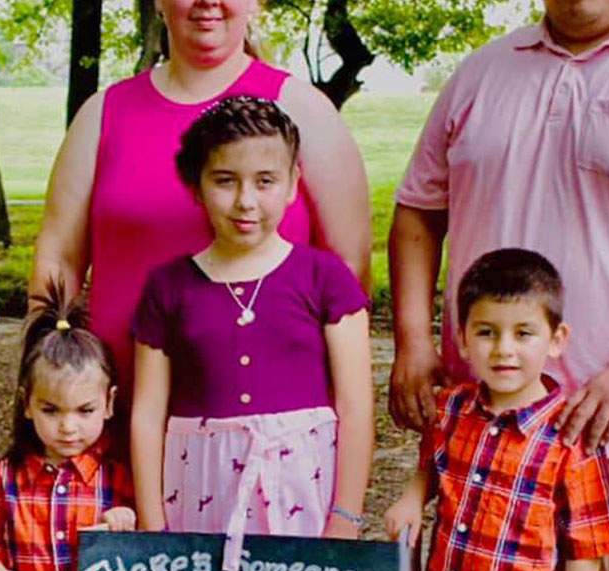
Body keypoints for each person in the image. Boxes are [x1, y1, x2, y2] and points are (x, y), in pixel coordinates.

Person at [31, 0, 370, 425]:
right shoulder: (104, 114)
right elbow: (59, 257)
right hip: (109, 414)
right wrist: (45, 364)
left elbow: (348, 268)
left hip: (267, 429)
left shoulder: (303, 111)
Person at [387, 0, 609, 571]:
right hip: (487, 418)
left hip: (601, 422)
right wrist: (412, 338)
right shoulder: (482, 72)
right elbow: (417, 209)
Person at [128, 97, 372, 571]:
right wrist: (153, 523)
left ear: (292, 185)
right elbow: (147, 412)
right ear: (196, 185)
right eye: (225, 181)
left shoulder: (325, 278)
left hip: (302, 486)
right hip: (199, 485)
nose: (246, 201)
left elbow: (356, 406)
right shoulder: (168, 287)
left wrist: (345, 515)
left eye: (265, 181)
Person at [384, 248, 609, 571]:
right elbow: (433, 459)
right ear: (462, 338)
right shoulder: (451, 409)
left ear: (556, 339)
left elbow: (586, 550)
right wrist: (412, 496)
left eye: (523, 333)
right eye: (487, 332)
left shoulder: (569, 439)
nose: (504, 348)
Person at [0, 282, 137, 571]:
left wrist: (126, 521)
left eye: (85, 411)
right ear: (27, 404)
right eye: (51, 410)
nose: (68, 427)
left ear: (109, 404)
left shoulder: (121, 480)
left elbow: (144, 553)